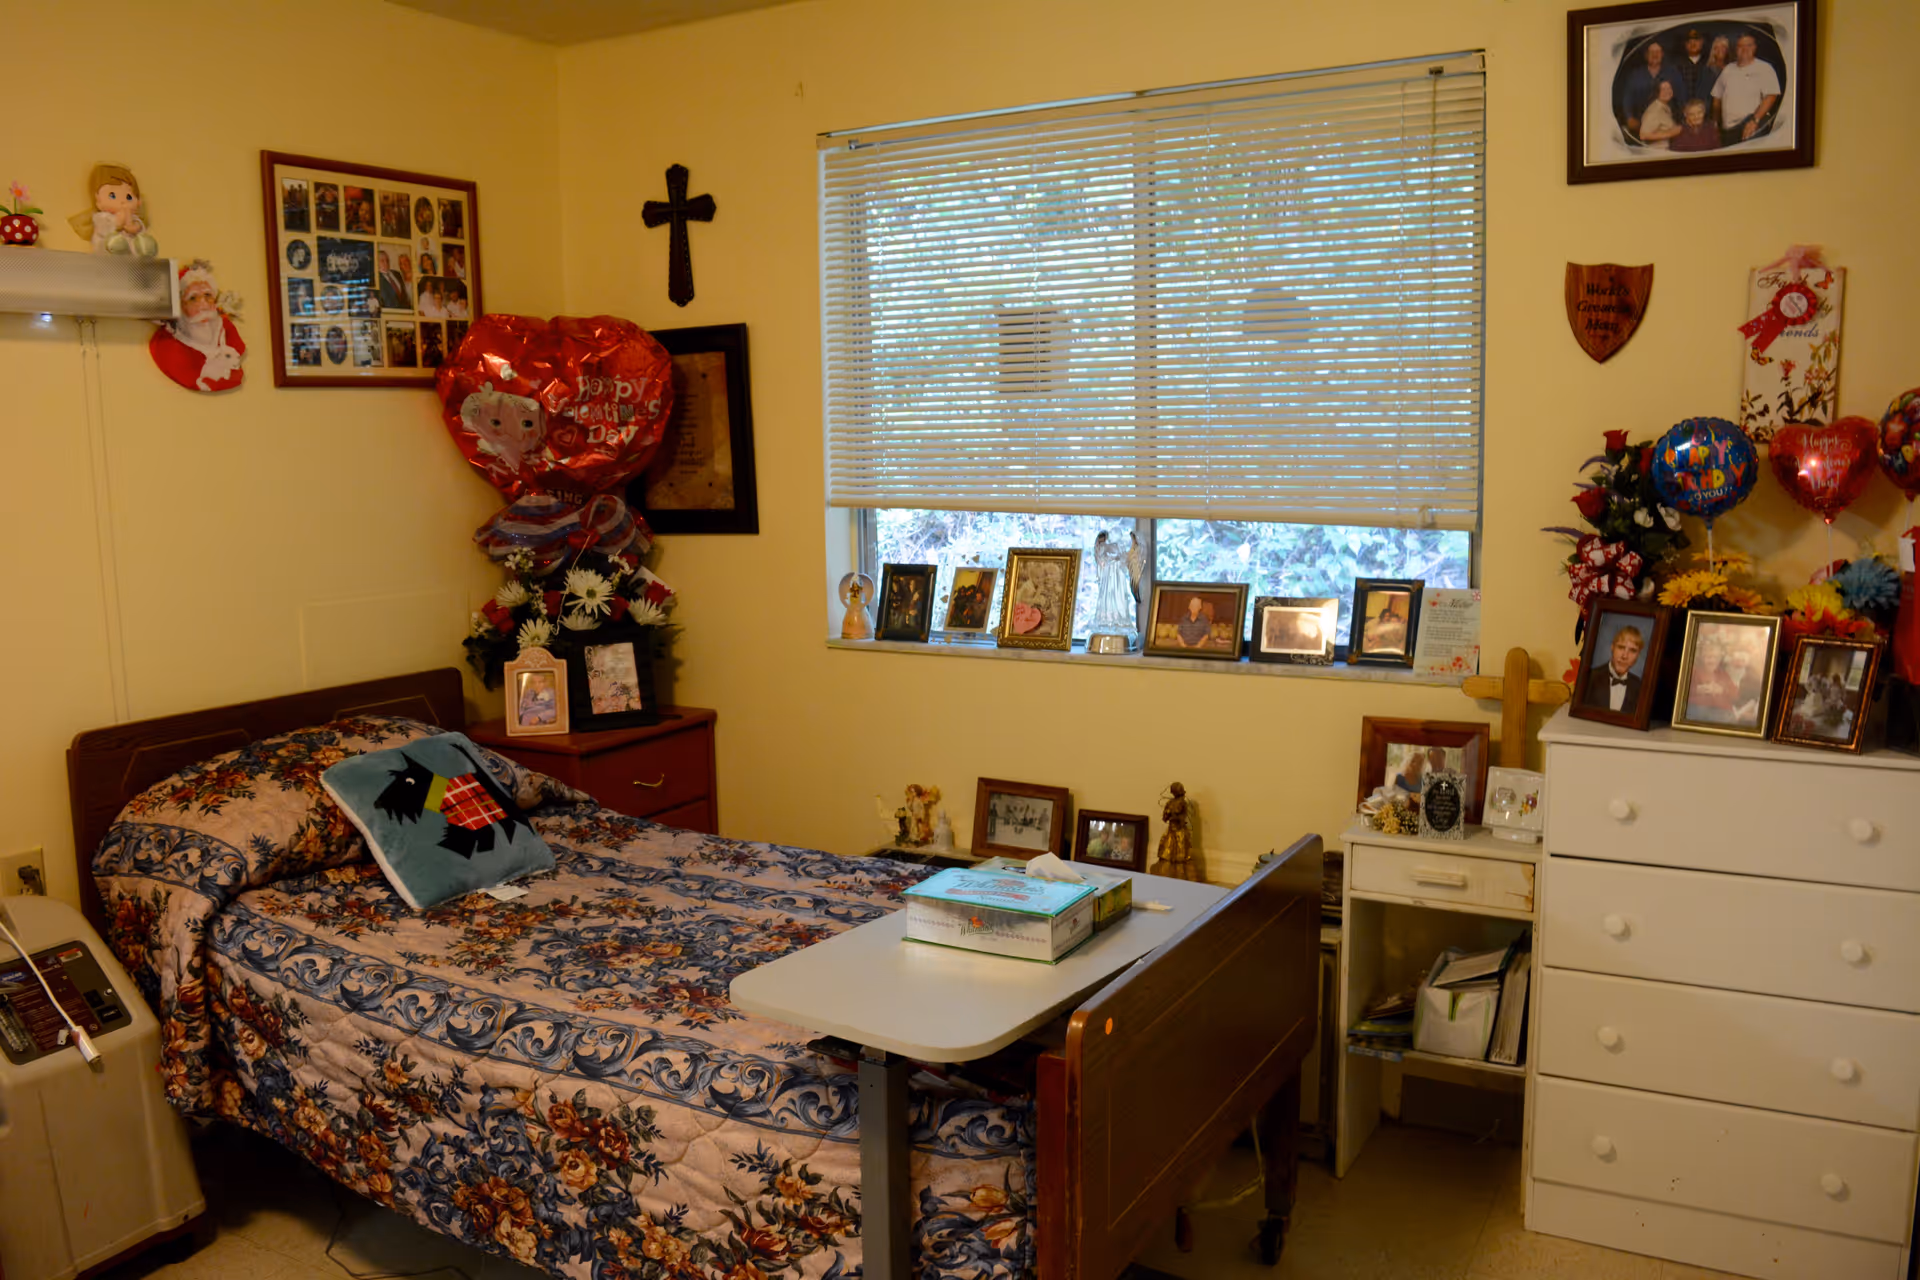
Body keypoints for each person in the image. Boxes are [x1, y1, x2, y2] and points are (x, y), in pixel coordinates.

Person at [69, 163, 157, 256]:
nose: (122, 201)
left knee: (141, 244)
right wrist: (119, 221)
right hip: (106, 256)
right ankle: (119, 250)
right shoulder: (102, 217)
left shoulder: (134, 218)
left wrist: (133, 226)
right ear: (98, 201)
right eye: (112, 196)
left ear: (138, 201)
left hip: (129, 260)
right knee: (113, 246)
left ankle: (143, 253)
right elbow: (106, 229)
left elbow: (139, 228)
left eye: (129, 197)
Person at [1712, 33, 1781, 146]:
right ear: (1736, 49)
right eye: (1741, 46)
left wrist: (1755, 121)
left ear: (1754, 47)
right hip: (1727, 131)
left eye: (1748, 45)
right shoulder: (1728, 69)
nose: (1745, 49)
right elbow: (1716, 97)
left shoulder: (1765, 68)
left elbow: (1771, 96)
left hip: (1750, 127)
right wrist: (1715, 124)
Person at [1617, 39, 1682, 141]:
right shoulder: (1635, 75)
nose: (1655, 55)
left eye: (1658, 52)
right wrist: (1629, 117)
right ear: (1646, 55)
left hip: (1666, 122)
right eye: (1651, 52)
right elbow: (1627, 98)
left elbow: (1682, 96)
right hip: (1641, 123)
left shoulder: (1672, 72)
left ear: (1662, 54)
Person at [1582, 624, 1644, 713]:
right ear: (1612, 647)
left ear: (1638, 655)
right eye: (1621, 647)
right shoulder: (1590, 677)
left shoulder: (1639, 687)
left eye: (1633, 650)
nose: (1625, 656)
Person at [1686, 633, 1740, 723]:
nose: (1712, 660)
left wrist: (1722, 690)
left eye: (1715, 657)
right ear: (1701, 657)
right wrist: (1697, 690)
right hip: (1697, 712)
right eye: (1708, 657)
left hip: (1722, 714)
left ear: (1720, 658)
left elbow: (1736, 695)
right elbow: (1680, 691)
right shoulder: (1694, 671)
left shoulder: (1722, 674)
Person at [1671, 26, 1719, 109]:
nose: (1693, 44)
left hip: (1705, 115)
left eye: (1696, 40)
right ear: (1685, 45)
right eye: (1689, 41)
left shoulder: (1710, 66)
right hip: (1683, 116)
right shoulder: (1676, 68)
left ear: (1702, 42)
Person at [1637, 80, 1682, 149]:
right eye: (1663, 89)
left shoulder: (1665, 106)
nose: (1667, 91)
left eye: (1669, 88)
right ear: (1657, 92)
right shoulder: (1654, 111)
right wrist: (1672, 133)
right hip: (1657, 151)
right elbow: (1643, 135)